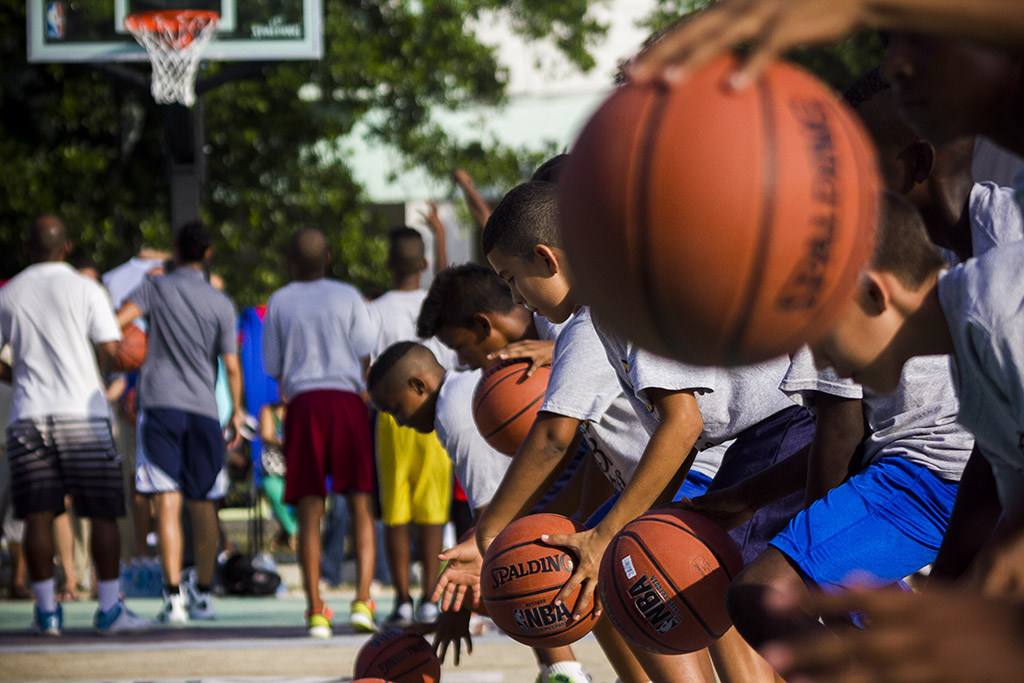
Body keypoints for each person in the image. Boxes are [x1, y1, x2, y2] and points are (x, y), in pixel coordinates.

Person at [480, 181, 816, 683]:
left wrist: (605, 535)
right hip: (763, 434)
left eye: (512, 279)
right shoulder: (606, 305)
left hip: (784, 424)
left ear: (548, 259)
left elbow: (684, 424)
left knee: (721, 584)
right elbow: (678, 433)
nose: (515, 298)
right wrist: (624, 524)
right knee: (649, 559)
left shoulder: (623, 300)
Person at [367, 342, 592, 683]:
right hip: (581, 477)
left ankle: (566, 673)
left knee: (499, 569)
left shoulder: (453, 413)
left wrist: (456, 604)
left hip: (582, 485)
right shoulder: (461, 394)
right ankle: (561, 668)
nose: (398, 423)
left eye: (396, 409)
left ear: (418, 386)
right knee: (491, 563)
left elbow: (492, 522)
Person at [0, 215, 149, 635]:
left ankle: (46, 613)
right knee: (101, 514)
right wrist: (125, 354)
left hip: (29, 413)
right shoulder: (87, 289)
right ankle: (109, 610)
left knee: (37, 516)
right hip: (82, 414)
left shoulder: (9, 293)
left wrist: (18, 375)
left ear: (27, 248)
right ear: (67, 247)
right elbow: (110, 349)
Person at [117, 221, 246, 624]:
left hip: (160, 405)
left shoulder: (155, 287)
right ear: (207, 254)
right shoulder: (220, 302)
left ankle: (173, 599)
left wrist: (123, 354)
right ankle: (203, 596)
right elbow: (231, 366)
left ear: (175, 248)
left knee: (166, 502)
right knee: (204, 502)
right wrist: (236, 412)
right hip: (204, 409)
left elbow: (117, 321)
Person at [262, 227, 378, 638]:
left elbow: (274, 367)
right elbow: (367, 352)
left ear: (290, 263)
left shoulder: (278, 301)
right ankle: (363, 601)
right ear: (328, 257)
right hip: (346, 401)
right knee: (361, 503)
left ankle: (315, 609)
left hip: (305, 404)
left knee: (309, 510)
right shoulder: (347, 295)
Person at [368, 226, 454, 628]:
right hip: (434, 408)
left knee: (396, 511)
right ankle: (430, 599)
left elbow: (366, 368)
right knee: (433, 510)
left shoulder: (374, 308)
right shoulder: (437, 303)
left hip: (391, 416)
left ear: (388, 264)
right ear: (423, 264)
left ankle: (401, 599)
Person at [257, 399, 296, 551]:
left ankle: (290, 533)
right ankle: (294, 533)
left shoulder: (301, 408)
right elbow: (266, 436)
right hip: (274, 469)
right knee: (274, 489)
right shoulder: (268, 410)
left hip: (298, 468)